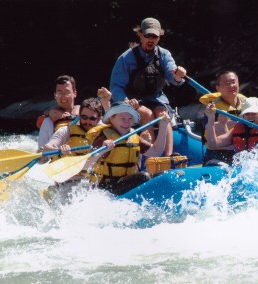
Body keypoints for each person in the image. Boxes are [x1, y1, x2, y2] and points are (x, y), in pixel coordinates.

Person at [109, 17, 187, 156]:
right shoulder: (126, 58)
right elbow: (116, 86)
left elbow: (173, 74)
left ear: (159, 37)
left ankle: (168, 157)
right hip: (133, 99)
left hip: (156, 97)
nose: (151, 39)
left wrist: (178, 75)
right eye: (147, 35)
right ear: (140, 35)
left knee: (163, 114)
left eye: (154, 36)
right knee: (147, 114)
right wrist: (126, 101)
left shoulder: (164, 55)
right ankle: (152, 154)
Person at [86, 101, 171, 196]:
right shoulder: (103, 138)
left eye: (130, 118)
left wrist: (163, 126)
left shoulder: (134, 137)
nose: (127, 122)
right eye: (122, 118)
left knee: (162, 175)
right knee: (144, 177)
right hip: (106, 187)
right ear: (112, 119)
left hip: (127, 182)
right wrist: (102, 151)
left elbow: (156, 151)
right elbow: (86, 165)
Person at [204, 97, 258, 163]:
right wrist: (211, 119)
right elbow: (213, 144)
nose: (250, 116)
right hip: (244, 169)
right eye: (247, 114)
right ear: (243, 116)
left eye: (254, 113)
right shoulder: (236, 130)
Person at [199, 70, 248, 165]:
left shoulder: (246, 103)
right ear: (218, 88)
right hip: (219, 152)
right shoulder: (213, 109)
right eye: (226, 84)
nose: (231, 86)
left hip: (242, 150)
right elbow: (210, 139)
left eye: (233, 82)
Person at [38, 75, 80, 150]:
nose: (63, 97)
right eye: (60, 93)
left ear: (75, 94)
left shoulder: (86, 117)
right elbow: (41, 155)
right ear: (55, 95)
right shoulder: (48, 121)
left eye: (67, 92)